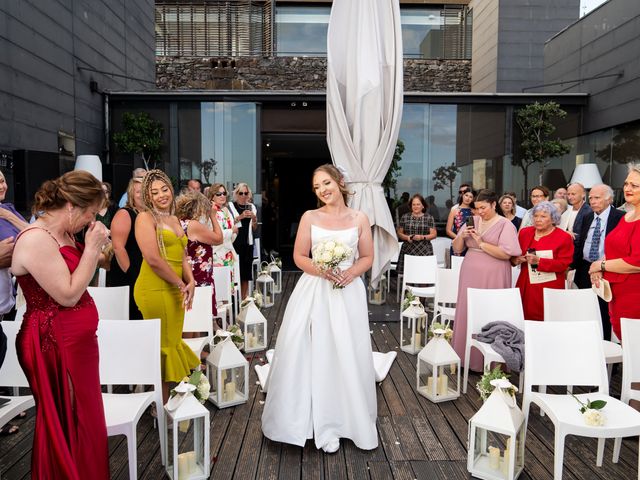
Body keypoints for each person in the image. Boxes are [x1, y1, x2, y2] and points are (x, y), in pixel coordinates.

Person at [262, 164, 377, 453]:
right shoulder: (309, 217)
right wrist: (323, 270)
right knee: (315, 348)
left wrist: (351, 273)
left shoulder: (360, 218)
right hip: (315, 289)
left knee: (346, 349)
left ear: (339, 182)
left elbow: (367, 257)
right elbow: (300, 257)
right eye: (317, 187)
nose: (323, 190)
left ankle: (346, 418)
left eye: (326, 183)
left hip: (348, 292)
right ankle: (313, 418)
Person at [11, 170, 110, 479]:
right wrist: (91, 249)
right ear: (71, 205)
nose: (89, 221)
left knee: (86, 420)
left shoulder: (65, 234)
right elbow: (67, 294)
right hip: (52, 343)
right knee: (67, 422)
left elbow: (82, 279)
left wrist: (94, 250)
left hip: (78, 344)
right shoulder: (37, 239)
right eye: (90, 213)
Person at [134, 170, 200, 402]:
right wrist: (181, 284)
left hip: (175, 287)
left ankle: (171, 400)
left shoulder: (173, 219)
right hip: (154, 288)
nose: (161, 195)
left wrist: (191, 281)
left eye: (164, 189)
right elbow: (153, 259)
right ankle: (159, 406)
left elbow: (182, 256)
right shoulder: (145, 218)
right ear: (147, 196)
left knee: (172, 342)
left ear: (171, 190)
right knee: (163, 346)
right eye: (154, 192)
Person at [451, 189, 521, 371]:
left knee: (491, 310)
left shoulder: (505, 224)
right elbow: (458, 248)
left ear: (493, 204)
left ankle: (490, 362)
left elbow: (507, 253)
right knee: (469, 309)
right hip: (470, 271)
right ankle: (465, 358)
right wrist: (462, 236)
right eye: (477, 208)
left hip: (495, 272)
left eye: (483, 208)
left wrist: (481, 243)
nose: (479, 212)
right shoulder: (471, 222)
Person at [589, 164, 640, 341]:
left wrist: (600, 264)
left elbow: (636, 261)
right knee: (626, 345)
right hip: (616, 292)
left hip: (634, 295)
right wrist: (599, 268)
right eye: (626, 184)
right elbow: (614, 250)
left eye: (634, 185)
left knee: (634, 346)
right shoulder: (625, 216)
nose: (627, 188)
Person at [573, 184, 624, 340]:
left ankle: (606, 347)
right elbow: (582, 242)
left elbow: (621, 247)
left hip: (607, 270)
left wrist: (602, 265)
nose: (593, 201)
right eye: (590, 198)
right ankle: (587, 343)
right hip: (585, 269)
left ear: (609, 198)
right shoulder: (588, 216)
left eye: (597, 198)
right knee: (585, 311)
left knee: (604, 312)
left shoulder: (620, 217)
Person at [513, 201, 574, 321]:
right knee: (522, 317)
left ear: (553, 219)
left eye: (543, 216)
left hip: (548, 286)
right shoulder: (525, 233)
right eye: (536, 216)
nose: (538, 219)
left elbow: (563, 264)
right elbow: (515, 255)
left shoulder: (564, 237)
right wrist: (516, 260)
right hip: (525, 284)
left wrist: (540, 261)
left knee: (545, 319)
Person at [176, 191, 223, 318]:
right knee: (199, 320)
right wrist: (213, 216)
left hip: (188, 275)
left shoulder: (180, 223)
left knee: (191, 320)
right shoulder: (193, 225)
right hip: (199, 277)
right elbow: (219, 239)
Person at [108, 177, 145, 319]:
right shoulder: (125, 214)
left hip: (144, 271)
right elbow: (118, 248)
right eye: (138, 192)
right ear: (131, 194)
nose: (142, 195)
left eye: (145, 191)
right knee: (130, 315)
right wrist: (132, 273)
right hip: (128, 273)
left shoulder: (149, 215)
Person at [207, 183, 239, 292]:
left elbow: (231, 238)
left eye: (224, 193)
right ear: (212, 196)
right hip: (217, 254)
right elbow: (213, 234)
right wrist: (231, 231)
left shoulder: (225, 211)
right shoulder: (209, 211)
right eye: (218, 194)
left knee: (229, 290)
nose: (222, 196)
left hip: (228, 253)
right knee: (220, 291)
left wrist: (233, 233)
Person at [229, 183, 258, 299]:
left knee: (245, 274)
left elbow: (254, 228)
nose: (243, 195)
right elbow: (229, 223)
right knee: (235, 273)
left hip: (247, 243)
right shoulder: (231, 205)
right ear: (236, 194)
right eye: (241, 193)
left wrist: (254, 218)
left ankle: (243, 300)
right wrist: (240, 217)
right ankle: (234, 300)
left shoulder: (252, 207)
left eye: (246, 193)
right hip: (235, 243)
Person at [396, 194, 436, 275]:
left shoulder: (429, 218)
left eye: (418, 204)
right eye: (413, 204)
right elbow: (399, 233)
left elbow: (434, 234)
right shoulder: (405, 217)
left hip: (425, 250)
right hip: (408, 250)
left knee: (424, 276)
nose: (415, 206)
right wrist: (407, 237)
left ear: (423, 206)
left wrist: (422, 237)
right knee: (409, 276)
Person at [446, 187, 475, 255]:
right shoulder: (454, 211)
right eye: (466, 195)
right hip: (457, 243)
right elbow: (448, 231)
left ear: (473, 199)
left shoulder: (474, 211)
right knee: (456, 264)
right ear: (462, 195)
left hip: (470, 245)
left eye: (470, 197)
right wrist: (460, 238)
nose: (468, 198)